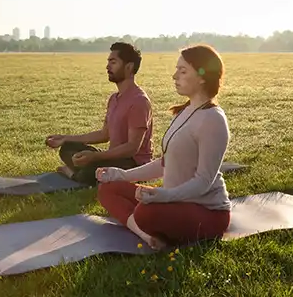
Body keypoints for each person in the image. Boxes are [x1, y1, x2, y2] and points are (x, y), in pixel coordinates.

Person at [96, 43, 231, 250]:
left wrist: (164, 196)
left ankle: (146, 227)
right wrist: (121, 175)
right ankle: (147, 236)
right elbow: (164, 163)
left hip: (207, 212)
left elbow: (204, 181)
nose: (174, 76)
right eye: (176, 69)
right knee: (108, 189)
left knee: (146, 212)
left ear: (203, 76)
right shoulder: (184, 111)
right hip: (174, 201)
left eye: (182, 71)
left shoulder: (213, 120)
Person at [45, 42, 153, 186]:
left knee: (90, 172)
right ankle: (79, 172)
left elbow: (132, 148)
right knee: (68, 147)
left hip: (133, 165)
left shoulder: (139, 101)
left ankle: (72, 173)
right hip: (113, 158)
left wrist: (95, 157)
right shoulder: (114, 99)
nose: (108, 67)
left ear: (129, 67)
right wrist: (65, 138)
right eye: (108, 62)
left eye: (113, 62)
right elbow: (104, 134)